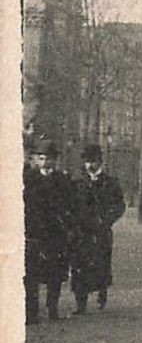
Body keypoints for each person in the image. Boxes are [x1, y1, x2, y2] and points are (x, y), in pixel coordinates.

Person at [24, 139, 77, 324]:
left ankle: (52, 309)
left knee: (54, 274)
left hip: (56, 235)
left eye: (49, 158)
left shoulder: (63, 181)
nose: (45, 162)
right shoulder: (28, 180)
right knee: (30, 276)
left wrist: (67, 228)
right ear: (36, 160)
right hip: (33, 234)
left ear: (55, 160)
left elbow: (71, 206)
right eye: (41, 158)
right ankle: (31, 313)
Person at [70, 144, 126, 314]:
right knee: (79, 265)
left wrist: (107, 220)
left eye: (93, 161)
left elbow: (119, 205)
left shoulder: (110, 183)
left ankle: (102, 292)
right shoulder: (77, 183)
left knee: (101, 263)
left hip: (101, 231)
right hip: (82, 232)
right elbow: (71, 205)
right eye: (87, 162)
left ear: (100, 162)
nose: (90, 165)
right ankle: (81, 303)